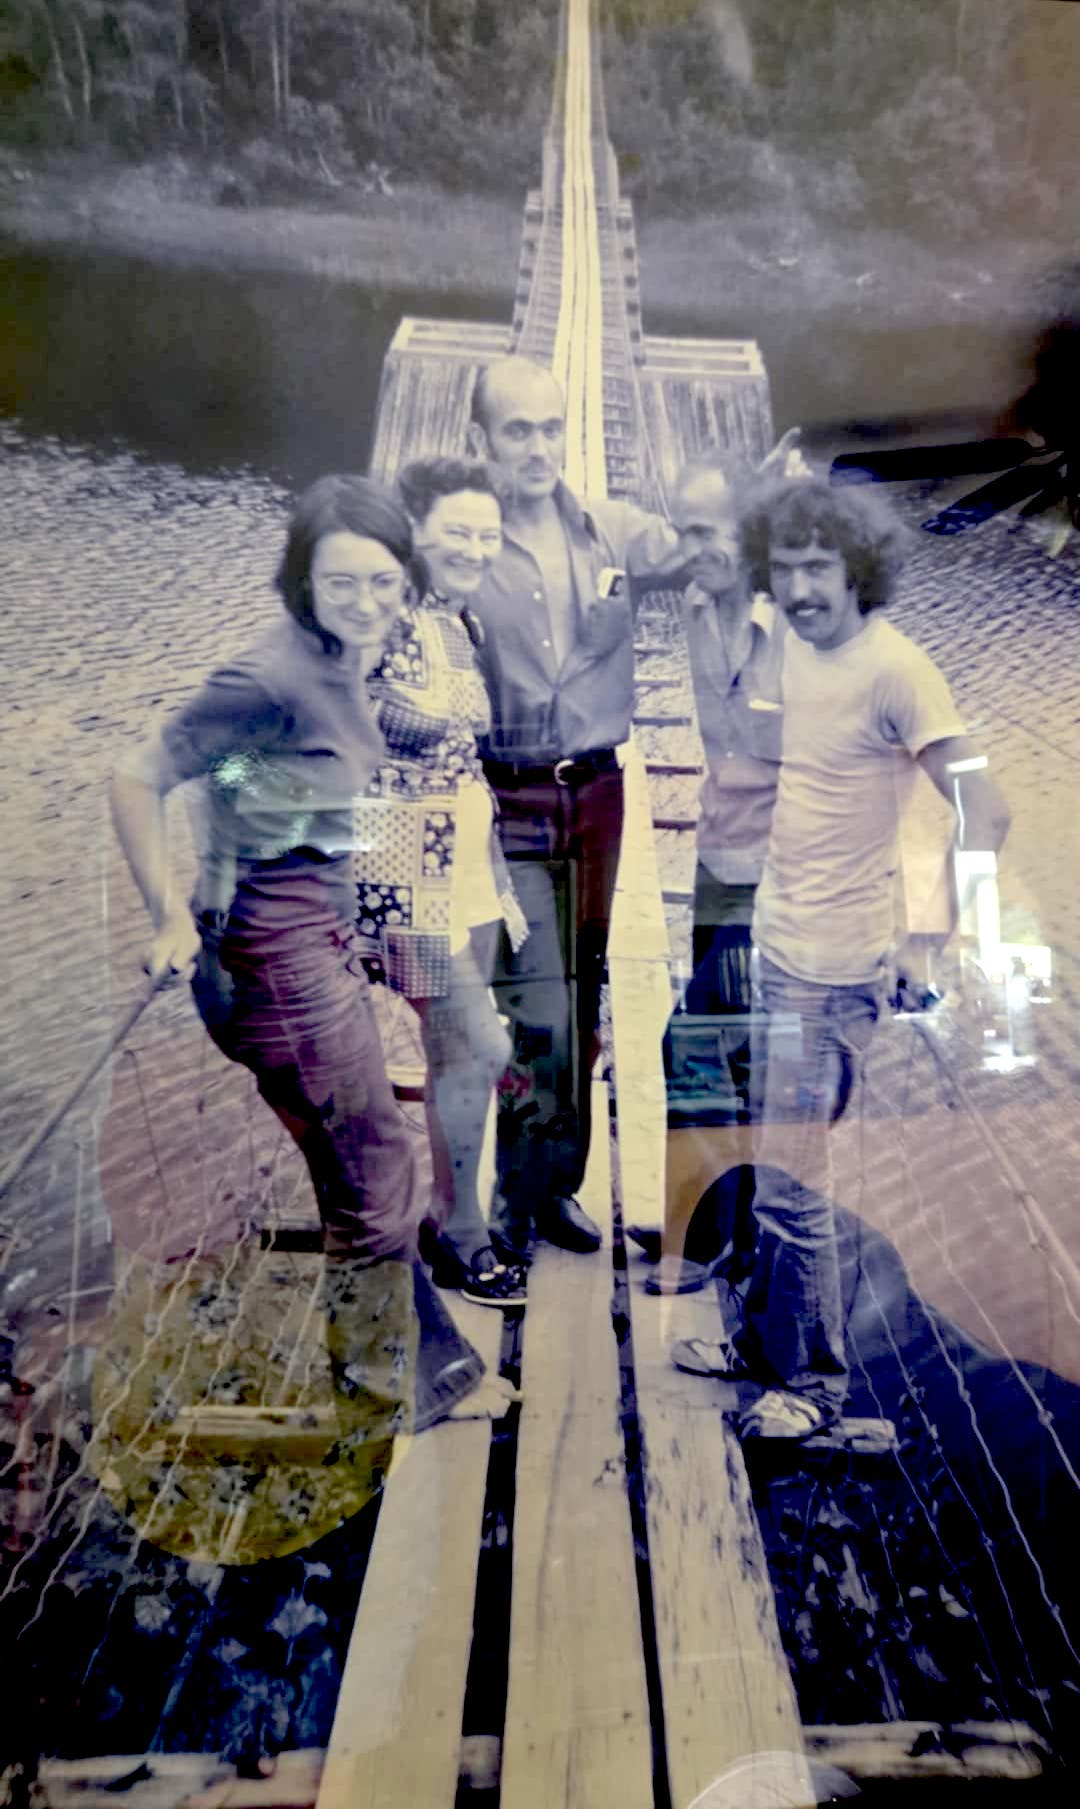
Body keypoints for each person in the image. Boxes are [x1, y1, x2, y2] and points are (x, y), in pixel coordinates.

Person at [109, 474, 494, 1460]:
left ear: (405, 582)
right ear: (303, 579)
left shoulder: (340, 659)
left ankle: (430, 1368)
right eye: (341, 582)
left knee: (357, 1167)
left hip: (307, 947)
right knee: (376, 1177)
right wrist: (169, 914)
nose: (365, 601)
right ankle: (376, 1401)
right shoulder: (269, 673)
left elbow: (233, 768)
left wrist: (256, 802)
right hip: (280, 973)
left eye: (382, 582)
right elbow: (140, 775)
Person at [672, 475, 1011, 1440]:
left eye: (820, 567)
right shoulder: (793, 650)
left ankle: (815, 1388)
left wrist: (927, 941)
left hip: (837, 973)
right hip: (780, 947)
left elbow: (986, 811)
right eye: (785, 568)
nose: (800, 588)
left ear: (859, 569)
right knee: (771, 1162)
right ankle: (762, 1345)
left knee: (794, 1184)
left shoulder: (898, 670)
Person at [464, 355, 680, 1262]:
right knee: (537, 1005)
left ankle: (557, 1185)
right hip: (506, 797)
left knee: (583, 1000)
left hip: (598, 793)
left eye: (551, 427)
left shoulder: (612, 531)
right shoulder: (460, 547)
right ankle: (512, 1198)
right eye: (517, 429)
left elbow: (714, 551)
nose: (538, 446)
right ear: (481, 440)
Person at [353, 456, 528, 1308]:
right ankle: (459, 1234)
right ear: (414, 528)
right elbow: (318, 722)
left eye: (488, 534)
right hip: (399, 863)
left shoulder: (462, 622)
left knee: (455, 1054)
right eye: (458, 530)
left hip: (464, 861)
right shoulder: (376, 615)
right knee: (483, 1045)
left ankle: (454, 1220)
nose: (475, 548)